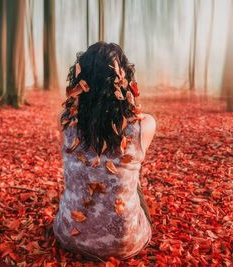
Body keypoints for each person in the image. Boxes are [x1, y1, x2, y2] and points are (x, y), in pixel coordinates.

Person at [53, 42, 156, 261]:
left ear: (80, 80)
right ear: (124, 79)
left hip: (70, 237)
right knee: (134, 179)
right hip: (126, 244)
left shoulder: (66, 123)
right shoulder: (144, 125)